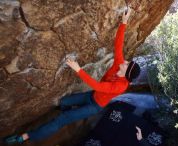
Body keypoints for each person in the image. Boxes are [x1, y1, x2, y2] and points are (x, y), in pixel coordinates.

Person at [5, 7, 140, 144]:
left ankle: (25, 137)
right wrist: (124, 22)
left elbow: (97, 85)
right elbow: (118, 45)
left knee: (62, 119)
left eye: (127, 64)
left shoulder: (120, 86)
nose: (125, 61)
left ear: (126, 72)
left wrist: (78, 69)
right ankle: (66, 113)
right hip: (91, 95)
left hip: (95, 105)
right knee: (63, 102)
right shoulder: (119, 63)